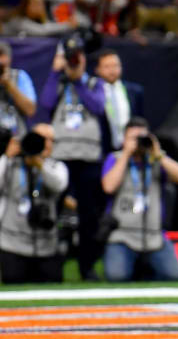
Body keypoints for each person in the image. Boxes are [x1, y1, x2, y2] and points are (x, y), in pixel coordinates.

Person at [39, 34, 106, 281]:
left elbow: (98, 107)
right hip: (61, 156)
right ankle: (50, 265)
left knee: (88, 216)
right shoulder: (58, 82)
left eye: (76, 55)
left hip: (88, 158)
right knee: (53, 211)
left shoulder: (93, 83)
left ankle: (86, 266)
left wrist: (77, 81)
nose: (73, 60)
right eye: (69, 56)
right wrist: (56, 73)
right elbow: (44, 104)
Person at [100, 116, 178, 282]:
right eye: (134, 138)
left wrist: (158, 153)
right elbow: (108, 186)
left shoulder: (156, 160)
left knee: (173, 275)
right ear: (124, 140)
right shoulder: (116, 158)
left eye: (142, 138)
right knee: (116, 276)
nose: (139, 142)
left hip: (154, 236)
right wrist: (126, 153)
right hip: (122, 235)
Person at [0, 124, 68, 284]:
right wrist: (6, 156)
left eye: (51, 140)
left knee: (51, 288)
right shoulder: (10, 164)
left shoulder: (56, 166)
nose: (46, 143)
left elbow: (58, 185)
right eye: (41, 138)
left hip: (46, 245)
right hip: (12, 244)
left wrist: (39, 164)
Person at [94, 49, 144, 152]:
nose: (112, 70)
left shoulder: (134, 91)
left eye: (115, 65)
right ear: (98, 69)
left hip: (130, 148)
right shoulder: (93, 91)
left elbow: (139, 120)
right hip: (102, 149)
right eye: (107, 66)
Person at [0, 41, 37, 138]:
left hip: (16, 140)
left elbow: (30, 110)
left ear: (9, 58)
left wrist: (9, 85)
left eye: (1, 55)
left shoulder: (20, 76)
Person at [2, 0, 76, 37]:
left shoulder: (40, 19)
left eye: (41, 4)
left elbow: (47, 26)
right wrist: (67, 25)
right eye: (35, 3)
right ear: (26, 6)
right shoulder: (18, 20)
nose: (39, 7)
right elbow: (42, 30)